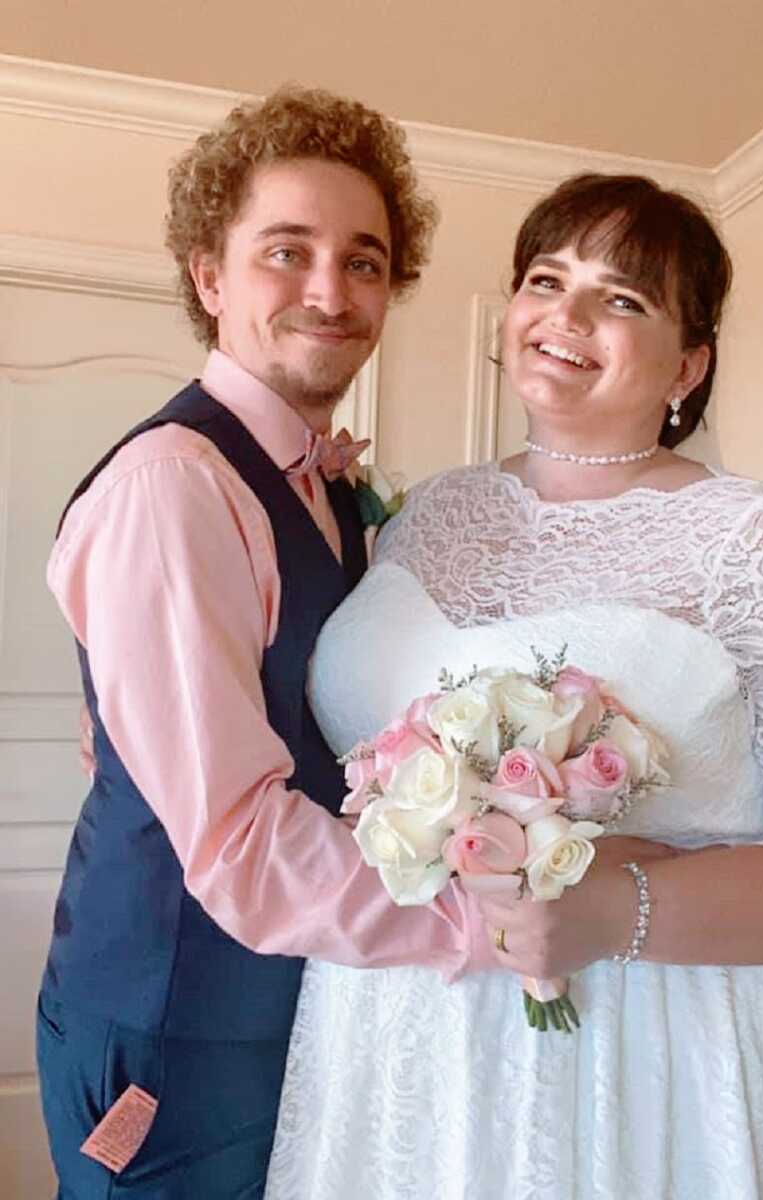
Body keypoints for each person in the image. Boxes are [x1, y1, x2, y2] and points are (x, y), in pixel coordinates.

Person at [264, 174, 763, 1199]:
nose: (565, 316)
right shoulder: (425, 512)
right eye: (545, 279)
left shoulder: (761, 542)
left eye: (622, 299)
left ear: (688, 363)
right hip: (392, 1034)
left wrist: (619, 910)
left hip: (647, 1056)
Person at [36, 86, 505, 1199]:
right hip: (174, 1023)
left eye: (365, 261)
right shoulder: (173, 488)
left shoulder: (322, 487)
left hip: (290, 1000)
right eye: (285, 252)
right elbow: (238, 841)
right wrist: (490, 922)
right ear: (211, 276)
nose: (330, 292)